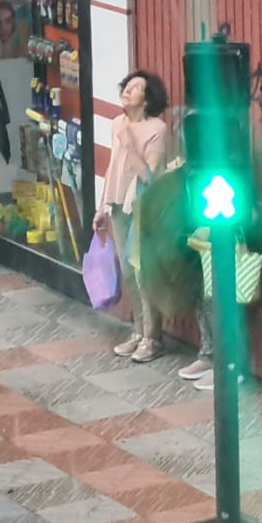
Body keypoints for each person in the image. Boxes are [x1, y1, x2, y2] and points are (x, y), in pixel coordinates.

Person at [95, 71, 171, 363]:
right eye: (127, 85)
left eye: (137, 87)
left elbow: (149, 176)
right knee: (128, 270)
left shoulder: (157, 129)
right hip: (117, 204)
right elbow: (114, 168)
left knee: (143, 272)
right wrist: (103, 206)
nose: (128, 90)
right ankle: (138, 332)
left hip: (141, 207)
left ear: (148, 98)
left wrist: (129, 143)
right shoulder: (117, 123)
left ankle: (154, 338)